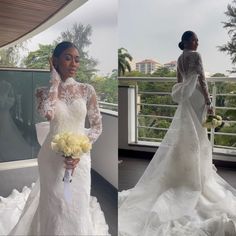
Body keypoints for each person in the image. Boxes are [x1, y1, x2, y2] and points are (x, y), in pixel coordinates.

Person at [118, 31, 236, 235]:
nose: (198, 42)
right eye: (195, 39)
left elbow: (179, 81)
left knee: (186, 136)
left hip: (186, 101)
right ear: (187, 41)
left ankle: (183, 169)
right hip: (197, 98)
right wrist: (208, 102)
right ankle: (195, 174)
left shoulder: (181, 58)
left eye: (198, 39)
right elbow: (202, 80)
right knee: (198, 136)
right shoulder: (196, 56)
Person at [5, 41, 109, 235]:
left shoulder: (87, 90)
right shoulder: (43, 92)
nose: (74, 64)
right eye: (68, 58)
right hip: (51, 157)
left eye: (77, 60)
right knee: (55, 205)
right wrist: (54, 82)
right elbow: (49, 113)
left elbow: (97, 126)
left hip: (80, 157)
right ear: (55, 61)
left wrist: (79, 150)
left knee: (74, 205)